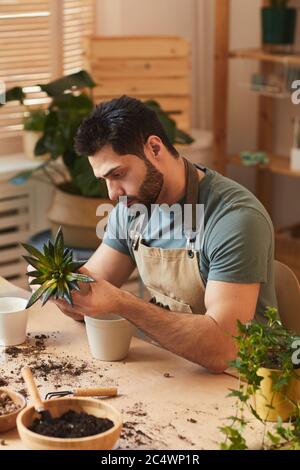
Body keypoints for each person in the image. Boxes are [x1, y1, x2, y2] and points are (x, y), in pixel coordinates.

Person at [52, 95, 277, 373]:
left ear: (154, 148)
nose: (112, 194)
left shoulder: (234, 219)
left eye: (118, 174)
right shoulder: (133, 207)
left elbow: (224, 350)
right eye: (105, 180)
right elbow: (91, 289)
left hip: (247, 382)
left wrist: (124, 303)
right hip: (177, 365)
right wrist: (58, 285)